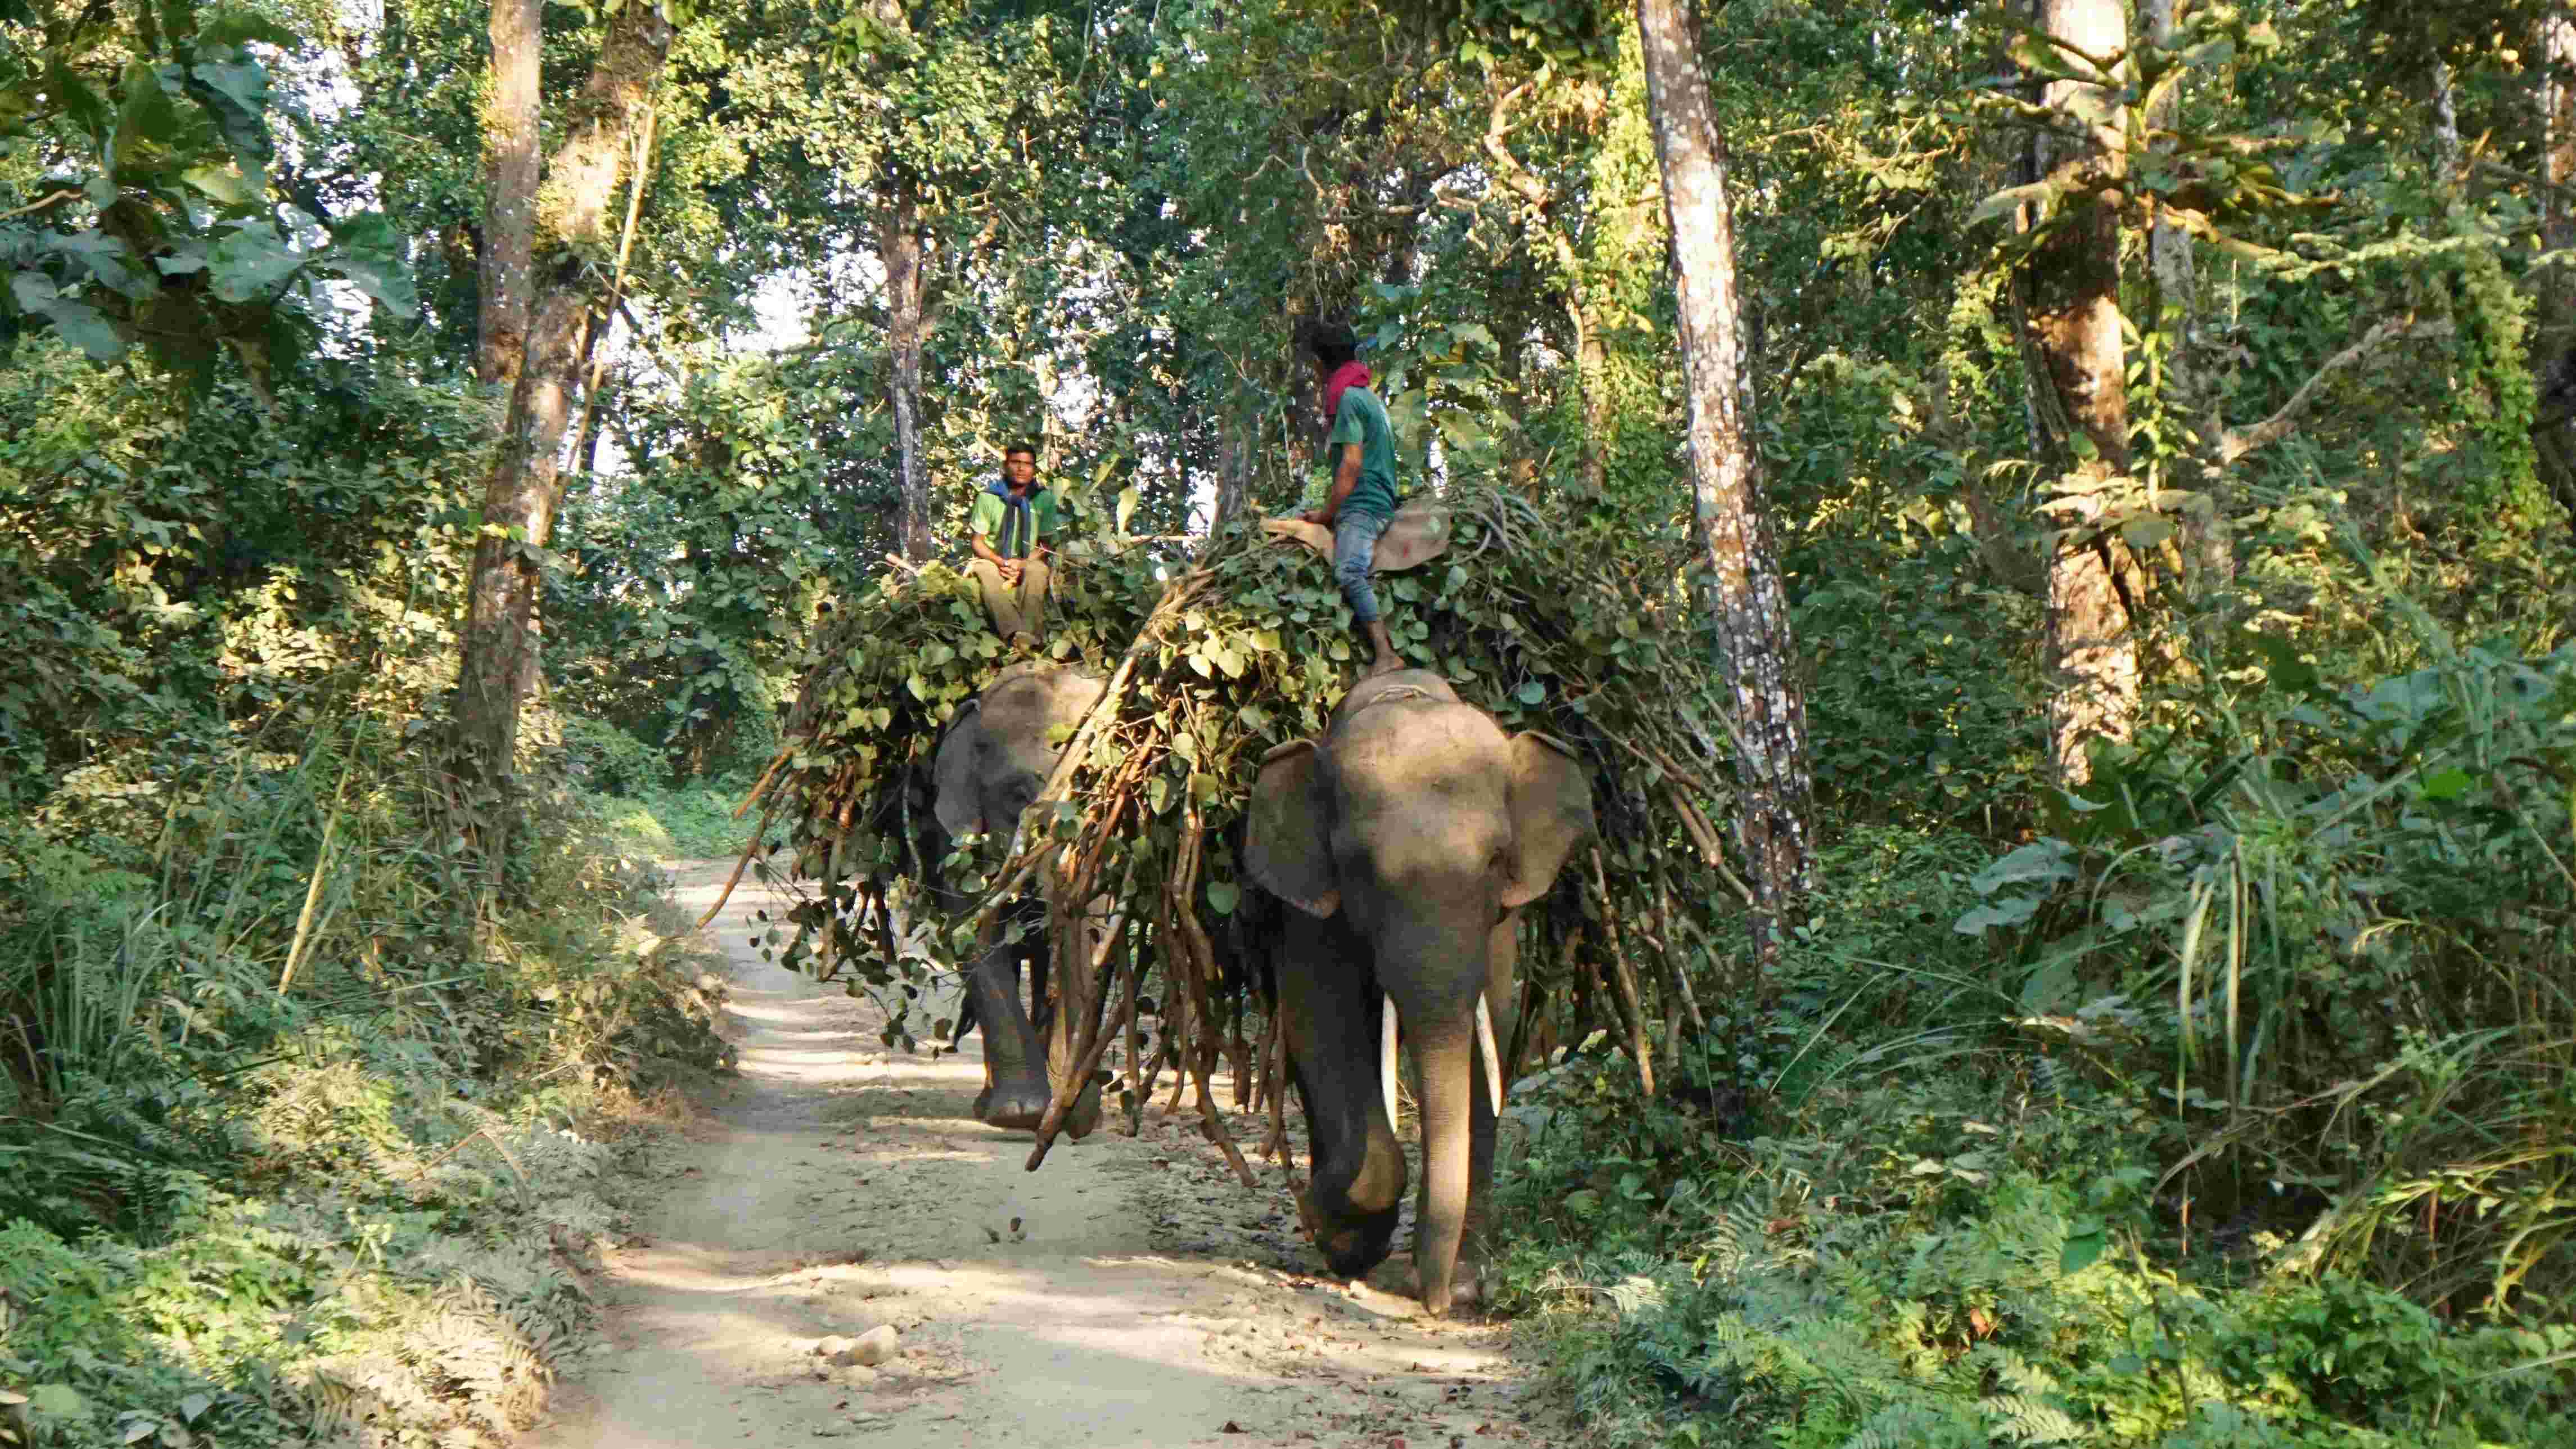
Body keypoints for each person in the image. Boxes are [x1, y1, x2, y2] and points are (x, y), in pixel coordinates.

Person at [1298, 319, 1405, 676]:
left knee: (1349, 571)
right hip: (1379, 494)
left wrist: (1329, 514)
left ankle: (1386, 653)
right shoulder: (1366, 395)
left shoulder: (1345, 400)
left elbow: (1351, 465)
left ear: (1320, 364)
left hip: (1365, 504)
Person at [966, 443, 1057, 647]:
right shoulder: (988, 497)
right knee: (985, 573)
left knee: (1037, 573)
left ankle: (1030, 635)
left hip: (1029, 559)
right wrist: (1001, 562)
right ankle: (1014, 633)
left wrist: (1022, 564)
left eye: (1027, 464)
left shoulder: (1044, 498)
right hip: (994, 559)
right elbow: (977, 541)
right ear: (1006, 466)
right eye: (1016, 463)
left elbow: (1045, 544)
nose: (1021, 468)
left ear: (1034, 469)